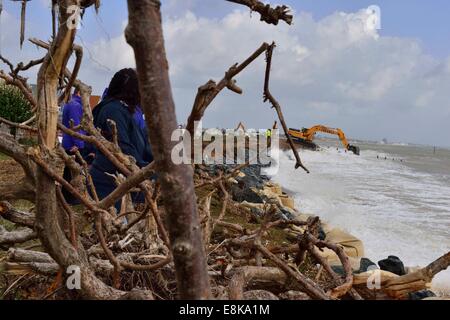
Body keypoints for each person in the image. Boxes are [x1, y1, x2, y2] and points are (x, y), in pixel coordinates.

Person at [90, 68, 153, 212]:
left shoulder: (124, 111)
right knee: (114, 227)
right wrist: (149, 171)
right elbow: (123, 150)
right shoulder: (114, 110)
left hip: (122, 182)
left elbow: (142, 146)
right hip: (111, 183)